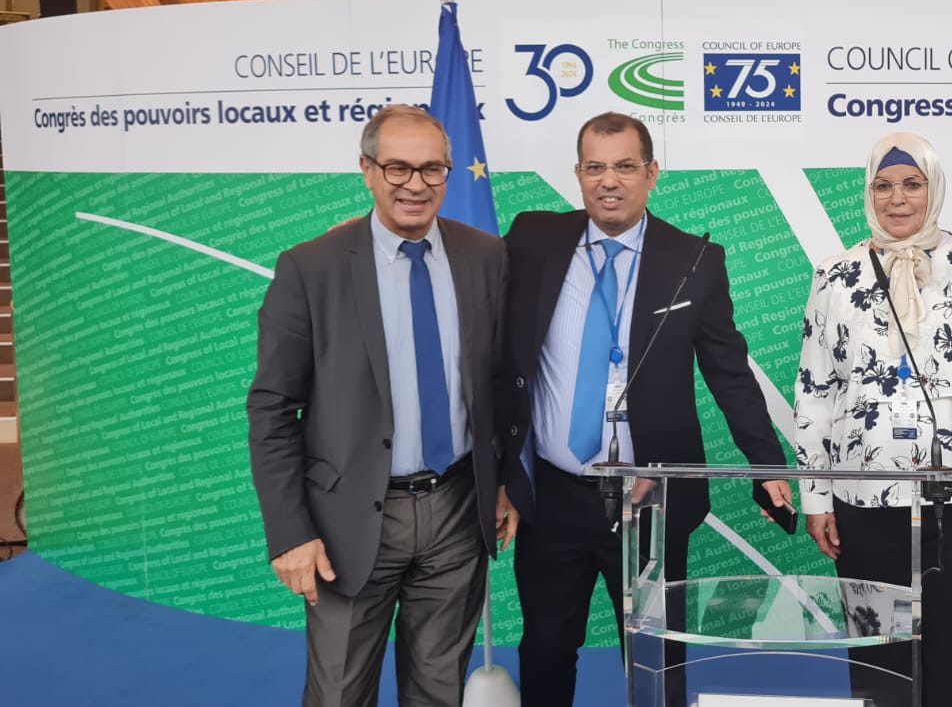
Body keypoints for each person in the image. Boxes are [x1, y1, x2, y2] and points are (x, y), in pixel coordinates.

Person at [500, 111, 792, 707]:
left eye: (625, 167)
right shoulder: (532, 238)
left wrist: (766, 464)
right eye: (595, 167)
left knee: (656, 659)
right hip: (553, 495)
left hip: (649, 502)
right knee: (546, 649)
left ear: (652, 173)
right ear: (578, 174)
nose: (609, 181)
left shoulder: (694, 259)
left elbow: (728, 371)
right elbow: (468, 279)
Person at [247, 105, 520, 706]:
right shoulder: (310, 268)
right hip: (347, 521)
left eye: (432, 169)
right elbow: (272, 409)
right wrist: (289, 532)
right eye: (398, 168)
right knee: (340, 692)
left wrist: (505, 480)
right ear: (367, 170)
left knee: (438, 691)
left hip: (457, 511)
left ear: (448, 172)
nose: (415, 185)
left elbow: (501, 380)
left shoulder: (486, 256)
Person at [793, 132, 952, 707]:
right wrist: (816, 496)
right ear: (868, 192)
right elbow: (815, 392)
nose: (897, 198)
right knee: (882, 662)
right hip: (866, 498)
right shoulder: (835, 274)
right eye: (884, 185)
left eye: (912, 184)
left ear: (934, 188)